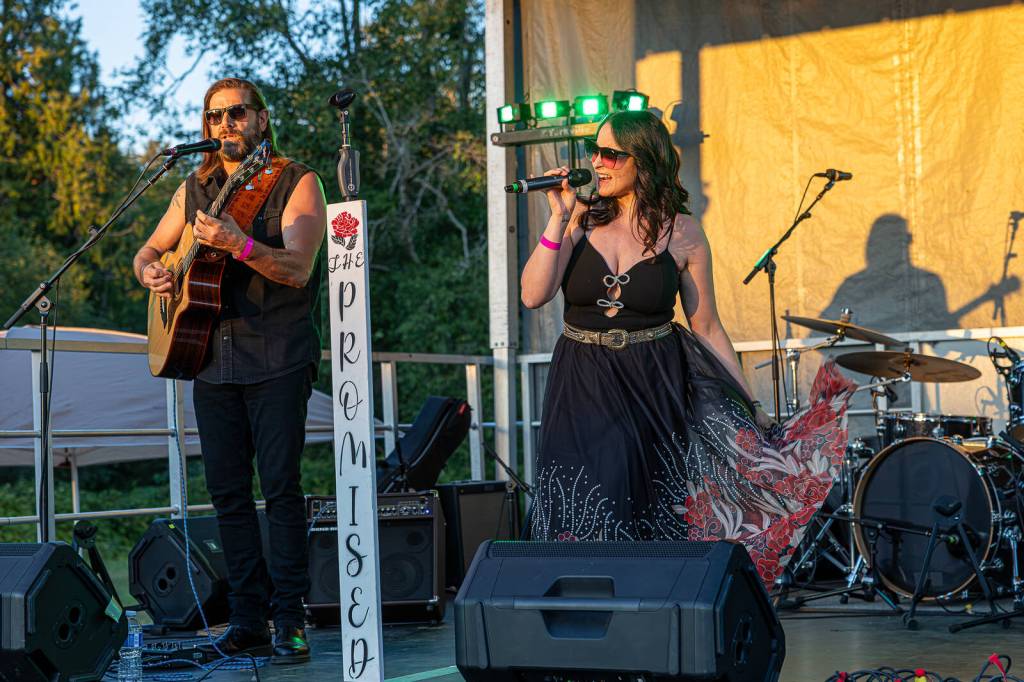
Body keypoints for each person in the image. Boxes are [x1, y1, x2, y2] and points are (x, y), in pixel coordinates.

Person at [521, 110, 855, 585]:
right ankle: (583, 605)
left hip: (651, 382)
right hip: (582, 379)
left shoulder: (683, 233)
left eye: (610, 154)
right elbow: (533, 295)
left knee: (644, 498)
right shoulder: (579, 220)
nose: (596, 162)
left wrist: (750, 405)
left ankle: (646, 607)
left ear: (644, 159)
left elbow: (708, 327)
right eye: (594, 151)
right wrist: (558, 217)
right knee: (586, 497)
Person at [134, 77, 327, 664]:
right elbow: (147, 251)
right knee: (227, 494)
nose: (225, 125)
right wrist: (152, 272)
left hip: (277, 354)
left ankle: (289, 617)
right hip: (210, 357)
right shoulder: (193, 187)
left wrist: (241, 245)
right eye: (214, 116)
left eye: (237, 113)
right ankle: (246, 620)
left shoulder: (295, 180)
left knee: (280, 487)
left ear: (261, 119)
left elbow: (298, 267)